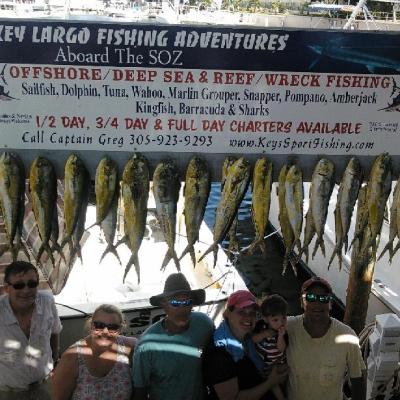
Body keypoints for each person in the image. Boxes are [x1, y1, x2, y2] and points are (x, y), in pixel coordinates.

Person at [132, 272, 214, 400]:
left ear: (192, 304)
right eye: (175, 302)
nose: (182, 309)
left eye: (187, 302)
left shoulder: (204, 324)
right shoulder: (146, 344)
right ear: (164, 305)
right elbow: (139, 390)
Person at [286, 276, 366, 400]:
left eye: (324, 298)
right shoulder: (287, 327)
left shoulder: (348, 335)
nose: (317, 303)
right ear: (302, 302)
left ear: (330, 304)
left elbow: (358, 379)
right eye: (311, 297)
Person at [203, 290, 288, 400]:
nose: (248, 317)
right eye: (242, 312)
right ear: (227, 313)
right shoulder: (220, 353)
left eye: (252, 313)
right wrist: (271, 382)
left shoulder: (250, 339)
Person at [0, 261, 62, 400]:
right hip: (7, 392)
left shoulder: (47, 301)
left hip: (44, 386)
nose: (26, 290)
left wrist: (55, 359)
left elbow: (55, 331)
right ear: (6, 288)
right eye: (19, 285)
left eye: (32, 284)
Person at [52, 303, 136, 400]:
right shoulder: (72, 358)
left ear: (120, 329)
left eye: (112, 327)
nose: (105, 331)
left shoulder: (130, 348)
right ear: (91, 326)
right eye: (99, 325)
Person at [253, 294, 288, 400]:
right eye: (275, 320)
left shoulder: (283, 332)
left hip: (277, 363)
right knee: (272, 383)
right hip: (262, 364)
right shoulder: (260, 326)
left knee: (279, 381)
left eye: (284, 318)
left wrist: (281, 337)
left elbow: (282, 349)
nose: (281, 323)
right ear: (265, 319)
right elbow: (252, 340)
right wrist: (263, 334)